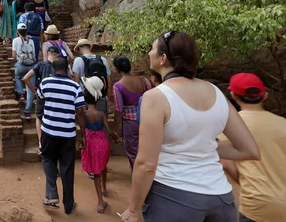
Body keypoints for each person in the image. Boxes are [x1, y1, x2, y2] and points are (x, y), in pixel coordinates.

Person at [121, 31, 260, 222]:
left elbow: (146, 164)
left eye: (152, 49)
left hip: (173, 197)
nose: (148, 53)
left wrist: (134, 209)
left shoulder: (156, 97)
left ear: (163, 58)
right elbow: (249, 149)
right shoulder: (216, 93)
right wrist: (203, 147)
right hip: (221, 199)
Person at [219, 73, 286, 222]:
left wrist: (243, 181)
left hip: (256, 204)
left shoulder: (232, 126)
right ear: (265, 95)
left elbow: (223, 160)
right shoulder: (283, 123)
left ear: (233, 95)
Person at [38, 58, 86, 215]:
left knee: (48, 159)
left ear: (53, 68)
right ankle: (68, 204)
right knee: (67, 168)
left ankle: (51, 195)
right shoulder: (75, 87)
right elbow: (80, 112)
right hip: (67, 134)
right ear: (68, 69)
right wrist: (83, 135)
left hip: (48, 131)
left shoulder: (45, 82)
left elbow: (40, 100)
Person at [81, 76, 117, 214]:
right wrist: (115, 137)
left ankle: (100, 202)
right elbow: (108, 130)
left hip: (91, 143)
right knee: (103, 166)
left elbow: (82, 131)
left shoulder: (84, 114)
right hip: (102, 142)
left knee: (95, 171)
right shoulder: (101, 113)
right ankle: (104, 187)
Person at [111, 56, 151, 170]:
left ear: (117, 69)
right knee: (146, 148)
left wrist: (115, 129)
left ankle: (138, 176)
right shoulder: (144, 80)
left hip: (130, 122)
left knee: (133, 151)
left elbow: (118, 109)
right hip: (146, 119)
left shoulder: (118, 86)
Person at [23, 46, 60, 145]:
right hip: (56, 96)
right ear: (58, 55)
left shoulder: (40, 65)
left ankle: (41, 141)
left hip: (42, 95)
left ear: (47, 53)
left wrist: (34, 91)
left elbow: (25, 78)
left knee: (39, 117)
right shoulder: (60, 66)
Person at [71, 39, 110, 113]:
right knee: (102, 120)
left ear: (80, 48)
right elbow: (109, 81)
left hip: (86, 98)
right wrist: (108, 100)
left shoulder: (78, 60)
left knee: (87, 121)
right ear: (89, 47)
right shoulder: (102, 59)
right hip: (101, 94)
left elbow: (76, 83)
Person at [12, 23, 36, 102]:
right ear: (26, 31)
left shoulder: (15, 40)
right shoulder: (31, 41)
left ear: (17, 31)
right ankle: (32, 94)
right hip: (31, 65)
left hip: (21, 65)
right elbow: (34, 54)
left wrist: (19, 59)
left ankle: (21, 94)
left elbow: (13, 55)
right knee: (31, 78)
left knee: (18, 77)